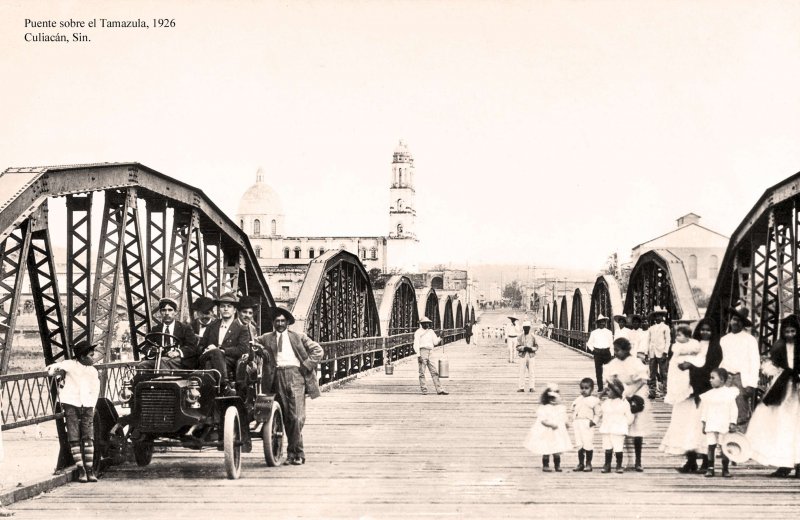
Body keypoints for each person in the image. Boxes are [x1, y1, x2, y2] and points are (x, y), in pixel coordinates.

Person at [252, 307, 323, 465]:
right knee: (283, 416)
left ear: (288, 323)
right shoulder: (267, 337)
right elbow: (252, 342)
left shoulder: (298, 337)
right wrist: (260, 350)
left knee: (296, 417)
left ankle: (297, 452)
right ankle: (293, 454)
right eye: (277, 321)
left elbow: (318, 351)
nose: (280, 324)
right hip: (275, 378)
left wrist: (306, 365)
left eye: (283, 321)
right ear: (273, 323)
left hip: (295, 376)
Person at [659, 318, 722, 473]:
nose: (705, 332)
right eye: (702, 329)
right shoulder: (692, 344)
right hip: (685, 392)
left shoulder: (716, 348)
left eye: (708, 330)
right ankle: (690, 460)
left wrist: (691, 367)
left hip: (703, 392)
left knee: (701, 426)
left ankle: (707, 462)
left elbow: (711, 369)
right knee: (686, 425)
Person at [746, 314, 800, 477]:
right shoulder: (778, 346)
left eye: (793, 331)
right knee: (781, 424)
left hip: (797, 388)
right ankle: (783, 463)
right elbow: (772, 365)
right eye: (787, 332)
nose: (790, 335)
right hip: (783, 389)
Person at [46, 341, 101, 483]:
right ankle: (81, 469)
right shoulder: (70, 364)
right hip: (71, 403)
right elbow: (51, 369)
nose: (93, 358)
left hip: (88, 405)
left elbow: (95, 391)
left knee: (88, 436)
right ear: (82, 357)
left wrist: (93, 407)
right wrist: (59, 373)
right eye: (91, 355)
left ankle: (90, 470)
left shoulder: (93, 371)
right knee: (73, 435)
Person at [604, 337, 652, 471]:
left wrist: (630, 393)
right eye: (614, 350)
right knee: (622, 429)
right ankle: (628, 459)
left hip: (637, 395)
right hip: (621, 396)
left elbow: (642, 380)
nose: (615, 353)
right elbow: (610, 380)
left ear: (626, 350)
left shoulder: (636, 362)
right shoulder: (614, 363)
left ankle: (638, 461)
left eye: (618, 350)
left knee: (637, 430)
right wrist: (617, 392)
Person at [198, 292, 250, 395]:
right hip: (207, 356)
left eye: (229, 306)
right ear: (219, 309)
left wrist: (222, 350)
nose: (225, 309)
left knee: (211, 362)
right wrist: (207, 349)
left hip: (228, 361)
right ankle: (225, 386)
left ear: (234, 310)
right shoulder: (212, 326)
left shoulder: (241, 329)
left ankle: (211, 396)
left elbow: (242, 349)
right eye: (222, 306)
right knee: (212, 356)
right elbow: (201, 346)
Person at [718, 304, 760, 430]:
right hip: (726, 377)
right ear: (730, 321)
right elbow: (720, 360)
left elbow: (755, 362)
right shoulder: (724, 339)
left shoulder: (750, 340)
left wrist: (751, 384)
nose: (736, 323)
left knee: (741, 408)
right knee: (724, 407)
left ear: (743, 324)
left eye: (739, 321)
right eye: (734, 319)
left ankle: (741, 438)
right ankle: (724, 440)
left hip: (741, 378)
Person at [523, 383, 572, 472]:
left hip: (557, 432)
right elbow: (542, 420)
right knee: (546, 449)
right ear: (547, 398)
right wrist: (550, 425)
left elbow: (564, 418)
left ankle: (557, 465)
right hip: (546, 432)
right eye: (551, 398)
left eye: (555, 398)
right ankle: (545, 465)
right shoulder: (544, 408)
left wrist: (566, 424)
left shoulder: (561, 408)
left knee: (557, 450)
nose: (553, 400)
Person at [140, 297, 199, 370]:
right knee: (142, 365)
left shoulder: (185, 328)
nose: (167, 313)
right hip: (160, 359)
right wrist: (152, 350)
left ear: (176, 312)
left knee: (163, 361)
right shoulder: (156, 329)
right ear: (160, 312)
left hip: (180, 361)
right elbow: (146, 347)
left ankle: (163, 381)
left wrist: (178, 352)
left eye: (170, 310)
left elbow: (192, 347)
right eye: (163, 310)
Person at [700, 368, 738, 478]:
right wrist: (704, 422)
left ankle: (725, 468)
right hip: (711, 422)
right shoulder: (709, 395)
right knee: (711, 445)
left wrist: (732, 422)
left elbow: (733, 409)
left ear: (721, 380)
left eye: (713, 378)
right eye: (710, 378)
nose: (710, 380)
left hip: (723, 423)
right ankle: (710, 468)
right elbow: (705, 409)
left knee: (724, 445)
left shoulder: (729, 394)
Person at [598, 377, 634, 473]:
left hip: (618, 429)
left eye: (608, 390)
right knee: (607, 447)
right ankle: (607, 464)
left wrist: (624, 424)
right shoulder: (606, 403)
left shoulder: (624, 403)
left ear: (616, 391)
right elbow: (600, 412)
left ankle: (619, 464)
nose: (606, 392)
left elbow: (630, 417)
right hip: (607, 428)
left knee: (618, 447)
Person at [663, 325, 701, 405]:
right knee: (676, 380)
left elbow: (696, 350)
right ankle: (678, 394)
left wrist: (687, 352)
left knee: (686, 379)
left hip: (688, 365)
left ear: (687, 336)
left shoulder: (694, 342)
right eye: (676, 335)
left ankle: (687, 392)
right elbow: (677, 351)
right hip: (677, 366)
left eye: (679, 335)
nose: (677, 337)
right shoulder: (676, 345)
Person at [571, 377, 601, 472]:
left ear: (591, 389)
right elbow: (574, 409)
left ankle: (588, 463)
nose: (583, 390)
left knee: (587, 443)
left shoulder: (594, 400)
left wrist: (594, 422)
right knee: (579, 443)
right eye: (582, 388)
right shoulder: (578, 399)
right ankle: (580, 463)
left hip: (587, 424)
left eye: (586, 388)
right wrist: (573, 419)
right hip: (578, 423)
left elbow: (598, 413)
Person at [414, 317, 448, 395]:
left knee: (434, 371)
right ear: (421, 324)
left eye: (427, 323)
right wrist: (418, 355)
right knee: (422, 372)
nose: (427, 324)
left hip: (431, 352)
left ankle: (439, 389)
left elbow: (435, 342)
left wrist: (440, 337)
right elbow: (416, 344)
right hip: (422, 351)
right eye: (425, 323)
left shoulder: (431, 331)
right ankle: (424, 390)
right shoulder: (418, 332)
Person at [646, 307, 671, 399]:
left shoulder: (666, 327)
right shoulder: (651, 328)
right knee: (652, 373)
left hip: (661, 352)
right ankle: (652, 391)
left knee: (664, 372)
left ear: (662, 317)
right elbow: (648, 341)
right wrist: (646, 352)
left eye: (660, 316)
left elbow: (668, 340)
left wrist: (665, 352)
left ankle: (666, 392)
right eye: (656, 316)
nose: (658, 318)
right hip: (652, 352)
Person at [586, 315, 614, 391]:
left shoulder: (609, 332)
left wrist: (612, 354)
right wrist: (593, 350)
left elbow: (611, 344)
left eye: (603, 322)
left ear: (605, 323)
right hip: (597, 352)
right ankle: (600, 387)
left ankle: (609, 387)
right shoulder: (594, 333)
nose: (602, 323)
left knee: (609, 371)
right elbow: (589, 343)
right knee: (598, 371)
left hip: (606, 352)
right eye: (600, 322)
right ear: (598, 323)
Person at [516, 320, 538, 392]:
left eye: (527, 328)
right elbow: (517, 347)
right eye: (525, 328)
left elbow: (536, 347)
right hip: (523, 355)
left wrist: (531, 348)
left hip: (531, 355)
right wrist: (523, 348)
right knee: (521, 371)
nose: (526, 329)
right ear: (523, 328)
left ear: (529, 328)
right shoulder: (520, 337)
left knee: (531, 371)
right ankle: (521, 387)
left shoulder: (533, 337)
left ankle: (532, 387)